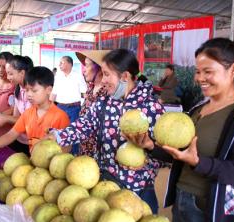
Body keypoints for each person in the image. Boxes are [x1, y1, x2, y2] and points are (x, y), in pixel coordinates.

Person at [130, 38, 234, 222]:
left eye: (208, 71)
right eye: (198, 71)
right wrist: (151, 146)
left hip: (210, 211)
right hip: (182, 200)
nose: (200, 78)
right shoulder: (197, 109)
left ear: (233, 69)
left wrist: (199, 162)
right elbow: (180, 153)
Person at [50, 49, 165, 213]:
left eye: (106, 74)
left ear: (125, 77)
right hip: (104, 184)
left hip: (138, 191)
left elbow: (167, 154)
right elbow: (85, 125)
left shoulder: (152, 108)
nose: (102, 80)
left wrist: (149, 149)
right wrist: (59, 136)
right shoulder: (104, 102)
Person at [0, 66, 70, 161]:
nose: (29, 94)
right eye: (27, 90)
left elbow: (66, 149)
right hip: (33, 164)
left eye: (34, 90)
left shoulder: (60, 117)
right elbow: (10, 135)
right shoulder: (28, 114)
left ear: (48, 90)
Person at [0, 55, 33, 155]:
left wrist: (6, 118)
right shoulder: (18, 90)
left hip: (33, 141)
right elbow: (17, 117)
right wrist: (3, 119)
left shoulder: (33, 92)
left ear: (22, 73)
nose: (8, 77)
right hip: (19, 139)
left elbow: (30, 120)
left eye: (10, 74)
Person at [75, 50, 109, 157]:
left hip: (100, 152)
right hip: (84, 146)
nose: (84, 70)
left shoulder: (107, 92)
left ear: (100, 69)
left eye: (87, 65)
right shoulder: (90, 88)